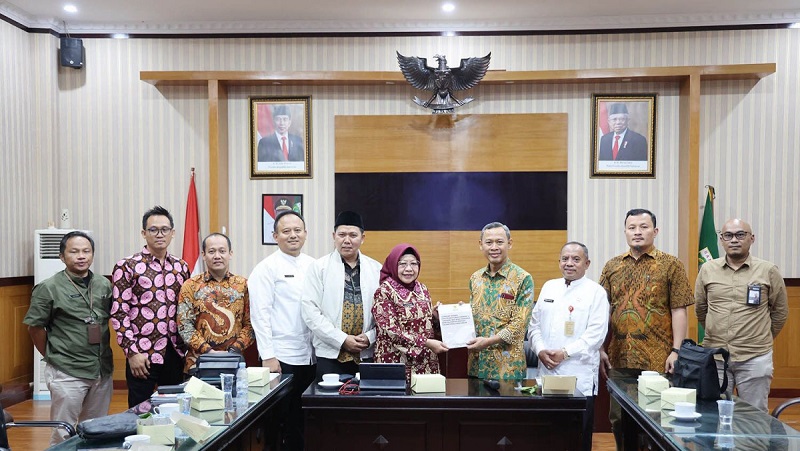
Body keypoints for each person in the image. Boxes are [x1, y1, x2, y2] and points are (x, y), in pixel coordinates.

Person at [599, 208, 693, 449]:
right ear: (625, 232)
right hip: (619, 357)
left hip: (659, 358)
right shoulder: (612, 266)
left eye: (644, 227)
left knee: (656, 421)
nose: (637, 232)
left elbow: (679, 309)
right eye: (632, 228)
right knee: (619, 419)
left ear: (655, 231)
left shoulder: (671, 265)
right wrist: (601, 348)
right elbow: (601, 311)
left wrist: (677, 350)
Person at [23, 231, 114, 445]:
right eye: (74, 252)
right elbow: (34, 328)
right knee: (63, 432)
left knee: (96, 429)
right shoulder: (48, 288)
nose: (81, 256)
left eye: (86, 251)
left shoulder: (103, 284)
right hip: (67, 370)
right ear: (62, 257)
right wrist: (53, 356)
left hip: (101, 369)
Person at [695, 218, 788, 412]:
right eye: (728, 235)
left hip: (755, 357)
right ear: (721, 240)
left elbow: (780, 312)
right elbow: (701, 310)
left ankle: (752, 445)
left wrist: (761, 337)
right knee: (714, 415)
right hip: (717, 357)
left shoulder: (768, 270)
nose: (734, 240)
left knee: (754, 417)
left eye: (740, 234)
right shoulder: (708, 270)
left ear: (751, 238)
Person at [528, 241, 608, 451]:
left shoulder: (596, 292)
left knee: (577, 436)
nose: (569, 263)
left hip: (578, 375)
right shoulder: (549, 286)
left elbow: (596, 335)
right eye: (565, 259)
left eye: (576, 259)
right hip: (546, 372)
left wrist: (565, 353)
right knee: (546, 434)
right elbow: (534, 325)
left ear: (587, 263)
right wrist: (539, 350)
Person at [248, 211, 316, 451]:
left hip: (311, 355)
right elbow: (260, 314)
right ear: (275, 236)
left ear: (306, 234)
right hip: (281, 356)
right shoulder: (266, 268)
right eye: (286, 231)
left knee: (303, 419)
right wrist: (268, 354)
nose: (293, 235)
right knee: (278, 420)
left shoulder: (314, 265)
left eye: (298, 230)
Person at [111, 206, 190, 407]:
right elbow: (119, 313)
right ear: (144, 233)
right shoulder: (127, 266)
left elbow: (186, 310)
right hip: (142, 353)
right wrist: (131, 352)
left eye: (165, 229)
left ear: (172, 233)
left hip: (175, 351)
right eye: (153, 230)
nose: (159, 234)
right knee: (140, 413)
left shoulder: (181, 267)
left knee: (173, 409)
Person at [301, 211, 382, 378]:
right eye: (342, 235)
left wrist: (370, 337)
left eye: (353, 235)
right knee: (330, 403)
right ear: (334, 236)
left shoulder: (377, 269)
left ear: (363, 238)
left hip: (366, 353)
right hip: (330, 355)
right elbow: (310, 312)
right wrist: (342, 339)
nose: (347, 240)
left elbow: (384, 313)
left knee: (365, 402)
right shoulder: (319, 268)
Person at [466, 222, 534, 380]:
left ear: (509, 244)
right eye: (489, 242)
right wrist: (460, 312)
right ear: (481, 245)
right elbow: (473, 317)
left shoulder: (523, 278)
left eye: (499, 242)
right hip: (476, 366)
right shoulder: (475, 278)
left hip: (508, 369)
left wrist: (488, 342)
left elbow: (519, 325)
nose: (494, 247)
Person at [177, 233, 254, 374]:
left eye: (222, 251)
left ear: (230, 254)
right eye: (211, 251)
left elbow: (250, 324)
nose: (217, 256)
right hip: (197, 362)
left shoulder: (243, 285)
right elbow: (184, 325)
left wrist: (234, 349)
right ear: (204, 255)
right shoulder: (190, 286)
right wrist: (208, 351)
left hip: (234, 361)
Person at [372, 244, 448, 381]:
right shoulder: (384, 291)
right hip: (395, 362)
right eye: (402, 264)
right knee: (398, 402)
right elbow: (390, 330)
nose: (408, 269)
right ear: (393, 265)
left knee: (426, 401)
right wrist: (426, 342)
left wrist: (435, 317)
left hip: (425, 363)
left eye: (413, 264)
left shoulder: (422, 288)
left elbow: (426, 324)